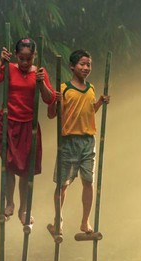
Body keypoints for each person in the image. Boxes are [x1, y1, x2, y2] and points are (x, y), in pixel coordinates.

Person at [0, 38, 55, 225]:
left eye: (28, 59)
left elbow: (50, 99)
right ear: (16, 55)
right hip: (7, 123)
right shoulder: (9, 68)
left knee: (25, 171)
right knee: (7, 165)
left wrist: (41, 83)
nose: (24, 63)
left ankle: (23, 209)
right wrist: (1, 62)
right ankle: (9, 204)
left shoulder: (40, 72)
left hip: (28, 127)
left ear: (34, 56)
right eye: (21, 58)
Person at [47, 49, 110, 234]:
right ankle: (58, 221)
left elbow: (89, 112)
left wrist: (99, 102)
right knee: (62, 184)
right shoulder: (64, 89)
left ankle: (85, 222)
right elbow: (51, 115)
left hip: (88, 141)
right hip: (68, 141)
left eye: (88, 64)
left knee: (88, 181)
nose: (86, 67)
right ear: (72, 67)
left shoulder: (90, 89)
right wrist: (54, 102)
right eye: (82, 64)